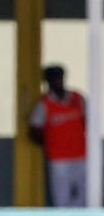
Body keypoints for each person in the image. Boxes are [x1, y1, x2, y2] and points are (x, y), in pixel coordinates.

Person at [29, 65, 86, 207]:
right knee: (62, 198)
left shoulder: (77, 99)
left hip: (81, 155)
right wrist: (53, 141)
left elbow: (88, 121)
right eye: (54, 79)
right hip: (59, 159)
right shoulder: (44, 104)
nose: (58, 81)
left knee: (85, 195)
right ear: (47, 81)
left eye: (60, 78)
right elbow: (34, 130)